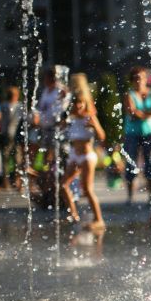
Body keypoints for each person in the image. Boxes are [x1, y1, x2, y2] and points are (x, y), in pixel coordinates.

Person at [60, 74, 106, 243]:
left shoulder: (89, 118)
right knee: (64, 185)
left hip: (87, 156)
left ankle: (99, 219)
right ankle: (74, 215)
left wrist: (95, 126)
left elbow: (102, 136)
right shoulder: (71, 119)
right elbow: (60, 129)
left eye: (81, 104)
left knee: (87, 189)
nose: (79, 106)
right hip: (74, 155)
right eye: (76, 104)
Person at [123, 66, 151, 204]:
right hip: (132, 133)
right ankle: (130, 196)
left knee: (150, 164)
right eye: (136, 78)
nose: (139, 81)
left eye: (141, 78)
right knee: (131, 163)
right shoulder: (129, 94)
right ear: (132, 80)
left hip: (149, 133)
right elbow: (132, 113)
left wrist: (142, 114)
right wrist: (149, 114)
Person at [0, 86, 23, 189]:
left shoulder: (18, 106)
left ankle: (15, 181)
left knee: (15, 159)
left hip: (13, 135)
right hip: (8, 135)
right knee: (7, 158)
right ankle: (8, 181)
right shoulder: (5, 105)